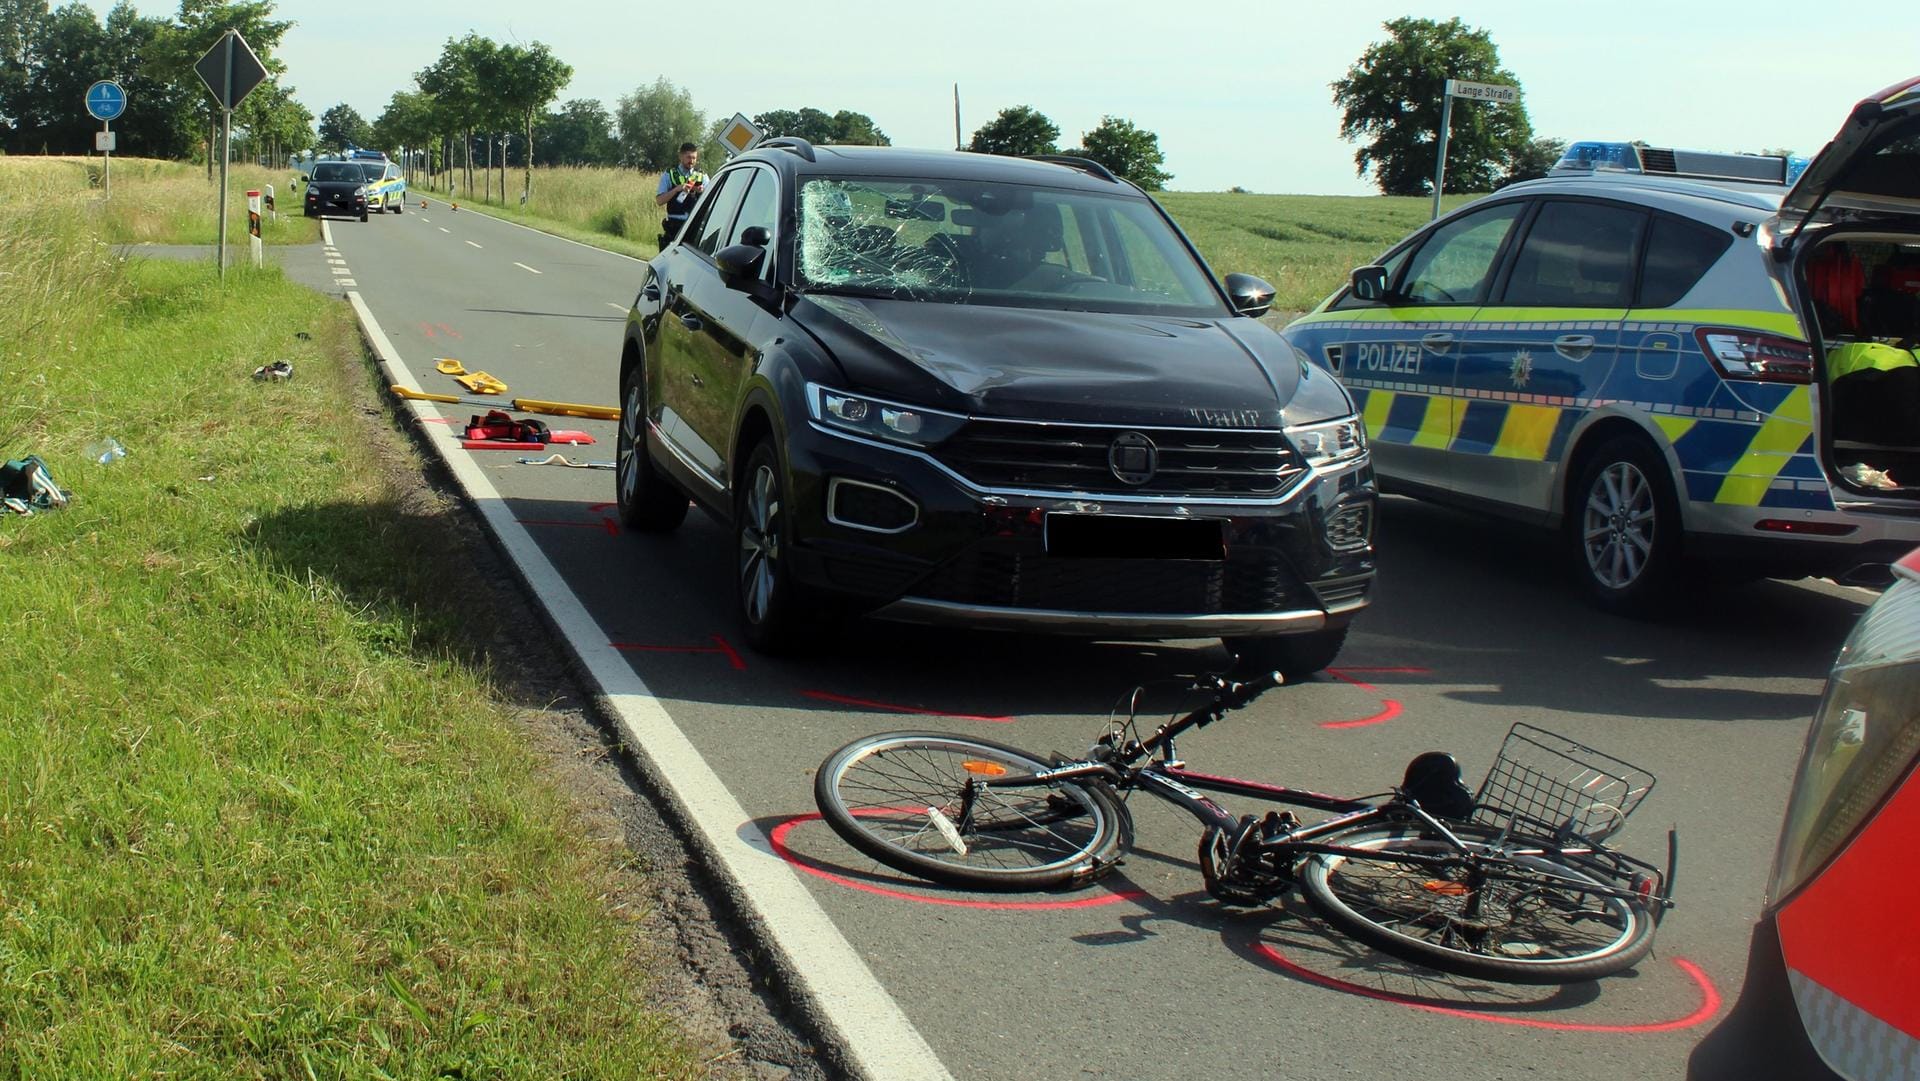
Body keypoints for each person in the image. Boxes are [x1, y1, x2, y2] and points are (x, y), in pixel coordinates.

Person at [655, 143, 707, 248]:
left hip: (694, 228)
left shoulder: (702, 177)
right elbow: (659, 201)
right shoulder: (669, 174)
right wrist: (676, 189)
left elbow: (710, 202)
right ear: (680, 156)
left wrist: (701, 192)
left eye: (694, 158)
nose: (691, 161)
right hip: (674, 227)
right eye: (688, 157)